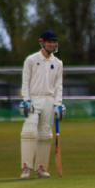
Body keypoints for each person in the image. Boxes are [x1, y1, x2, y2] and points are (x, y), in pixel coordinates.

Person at [19, 30, 66, 179]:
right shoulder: (31, 60)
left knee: (46, 134)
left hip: (49, 100)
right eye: (50, 42)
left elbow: (59, 85)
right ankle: (27, 168)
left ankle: (41, 168)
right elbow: (25, 82)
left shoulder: (58, 63)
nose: (52, 45)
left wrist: (58, 104)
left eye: (54, 42)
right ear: (42, 43)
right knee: (29, 132)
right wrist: (26, 100)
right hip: (34, 99)